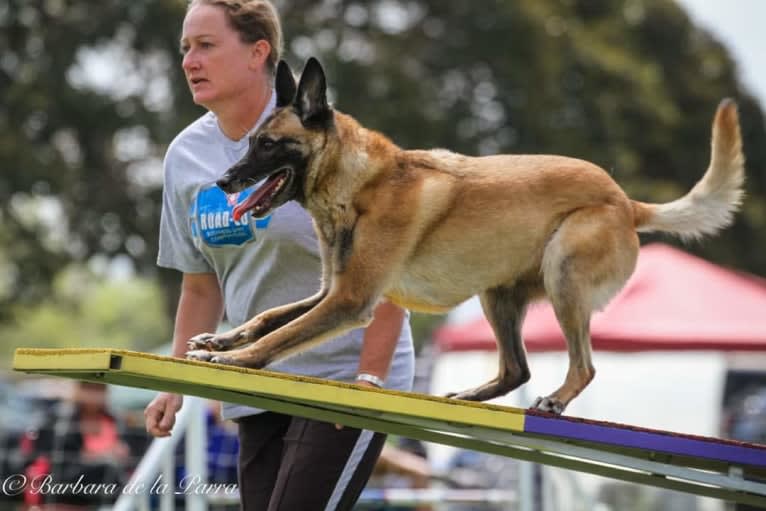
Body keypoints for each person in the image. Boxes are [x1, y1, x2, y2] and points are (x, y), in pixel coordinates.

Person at [143, 1, 415, 510]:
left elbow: (391, 272)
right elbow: (200, 286)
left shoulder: (325, 141)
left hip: (344, 378)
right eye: (185, 49)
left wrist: (370, 382)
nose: (189, 61)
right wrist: (172, 384)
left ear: (257, 53)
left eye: (206, 45)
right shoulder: (186, 157)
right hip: (256, 381)